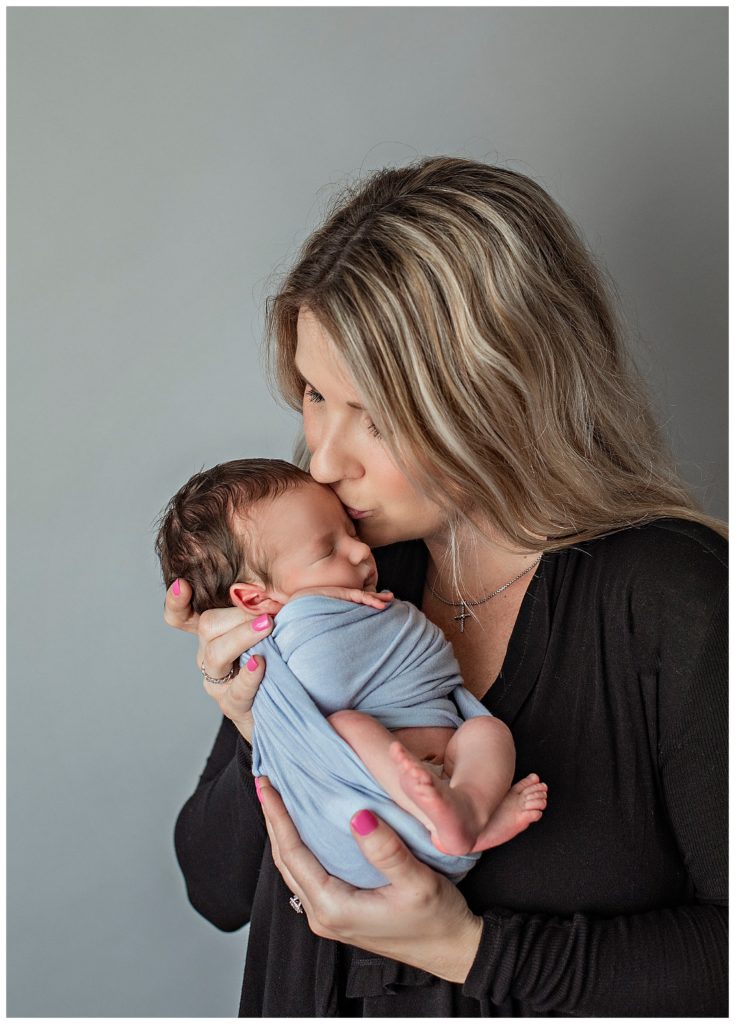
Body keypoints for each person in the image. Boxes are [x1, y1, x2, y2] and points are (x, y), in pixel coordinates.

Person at [166, 157, 727, 1016]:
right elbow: (217, 890)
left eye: (376, 415)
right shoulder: (334, 569)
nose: (324, 460)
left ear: (502, 394)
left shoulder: (670, 597)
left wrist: (467, 950)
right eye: (314, 392)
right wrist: (255, 720)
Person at [155, 457, 548, 886]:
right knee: (348, 725)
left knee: (487, 732)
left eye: (352, 533)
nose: (362, 551)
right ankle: (437, 816)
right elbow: (210, 886)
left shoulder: (362, 566)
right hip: (371, 811)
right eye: (328, 550)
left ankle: (468, 812)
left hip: (448, 775)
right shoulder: (272, 646)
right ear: (253, 601)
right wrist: (252, 718)